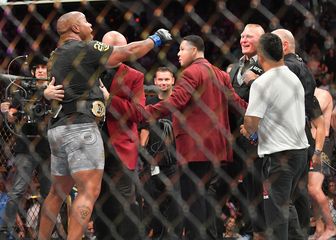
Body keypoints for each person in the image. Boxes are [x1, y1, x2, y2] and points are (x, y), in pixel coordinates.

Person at [37, 11, 172, 240]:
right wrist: (156, 38)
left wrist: (44, 92)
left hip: (59, 128)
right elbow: (128, 51)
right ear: (76, 29)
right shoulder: (85, 49)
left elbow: (50, 88)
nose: (91, 25)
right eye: (86, 22)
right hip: (82, 129)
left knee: (57, 192)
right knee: (88, 192)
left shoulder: (54, 55)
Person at [112, 35, 248, 240]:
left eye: (182, 49)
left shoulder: (191, 72)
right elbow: (238, 104)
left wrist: (144, 112)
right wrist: (259, 113)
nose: (178, 53)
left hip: (196, 148)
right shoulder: (221, 74)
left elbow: (175, 101)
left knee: (193, 199)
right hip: (217, 147)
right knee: (203, 196)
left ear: (194, 50)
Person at [240, 33, 309, 240]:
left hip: (279, 155)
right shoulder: (292, 77)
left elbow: (251, 124)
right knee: (286, 206)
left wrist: (246, 129)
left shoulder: (263, 83)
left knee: (276, 215)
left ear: (260, 56)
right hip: (299, 152)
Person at [272, 28, 335, 240]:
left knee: (314, 189)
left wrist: (318, 149)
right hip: (307, 143)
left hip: (321, 143)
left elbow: (319, 122)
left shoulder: (323, 95)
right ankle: (318, 228)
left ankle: (331, 227)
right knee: (308, 190)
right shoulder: (300, 94)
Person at [0, 54, 64, 240]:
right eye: (38, 68)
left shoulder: (55, 89)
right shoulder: (23, 90)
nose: (41, 71)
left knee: (49, 192)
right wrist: (6, 112)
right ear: (34, 71)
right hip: (26, 145)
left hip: (48, 147)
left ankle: (49, 231)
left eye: (44, 68)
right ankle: (4, 230)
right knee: (18, 189)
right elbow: (11, 116)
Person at [93, 30, 146, 240]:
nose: (114, 53)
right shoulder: (89, 71)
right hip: (92, 145)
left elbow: (140, 112)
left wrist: (110, 100)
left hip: (121, 147)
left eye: (118, 49)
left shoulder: (134, 76)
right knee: (97, 199)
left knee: (124, 201)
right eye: (109, 49)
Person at [228, 23, 265, 239]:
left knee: (257, 185)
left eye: (249, 36)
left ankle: (260, 230)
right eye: (242, 36)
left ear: (260, 41)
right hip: (234, 136)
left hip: (258, 135)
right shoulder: (234, 67)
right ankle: (250, 227)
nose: (243, 40)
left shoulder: (268, 64)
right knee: (242, 186)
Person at [139, 67, 180, 239]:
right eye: (160, 80)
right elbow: (143, 131)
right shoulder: (150, 104)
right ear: (155, 82)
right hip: (152, 162)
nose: (163, 83)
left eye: (166, 80)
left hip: (175, 162)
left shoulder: (179, 103)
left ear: (173, 81)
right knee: (152, 204)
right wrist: (144, 156)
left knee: (175, 205)